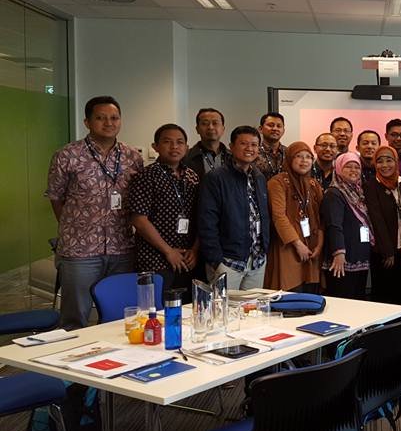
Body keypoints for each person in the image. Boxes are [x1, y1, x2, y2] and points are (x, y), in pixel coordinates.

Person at [46, 96, 143, 329]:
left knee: (123, 316)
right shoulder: (67, 155)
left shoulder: (133, 157)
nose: (108, 123)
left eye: (114, 118)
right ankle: (68, 361)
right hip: (80, 250)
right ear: (87, 122)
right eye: (100, 118)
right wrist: (75, 228)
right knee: (75, 317)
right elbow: (56, 198)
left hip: (122, 248)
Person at [129, 124, 200, 296]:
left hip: (187, 257)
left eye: (180, 142)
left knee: (186, 310)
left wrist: (195, 250)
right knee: (156, 312)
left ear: (187, 147)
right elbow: (139, 219)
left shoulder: (192, 177)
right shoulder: (146, 176)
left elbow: (201, 216)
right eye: (167, 142)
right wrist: (168, 251)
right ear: (155, 146)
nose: (174, 147)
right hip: (155, 259)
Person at [197, 126, 270, 290]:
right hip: (228, 262)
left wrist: (264, 250)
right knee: (222, 313)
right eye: (244, 143)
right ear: (231, 146)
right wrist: (216, 261)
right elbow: (207, 222)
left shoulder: (259, 177)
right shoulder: (215, 178)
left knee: (252, 313)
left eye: (254, 145)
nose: (249, 148)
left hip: (256, 261)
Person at [265, 142, 323, 292]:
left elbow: (321, 218)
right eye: (299, 156)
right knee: (290, 291)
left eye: (308, 157)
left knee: (311, 297)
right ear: (290, 158)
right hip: (289, 245)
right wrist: (298, 245)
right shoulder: (277, 182)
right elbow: (279, 216)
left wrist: (319, 246)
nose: (304, 161)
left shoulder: (313, 184)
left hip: (312, 246)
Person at [320, 152, 372, 299]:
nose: (354, 170)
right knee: (343, 301)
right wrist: (339, 253)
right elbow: (333, 225)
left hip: (359, 257)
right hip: (342, 260)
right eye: (348, 166)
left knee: (358, 303)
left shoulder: (359, 192)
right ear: (338, 168)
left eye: (357, 167)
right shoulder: (334, 193)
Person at [364, 146, 401, 305]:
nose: (385, 165)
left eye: (389, 160)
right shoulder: (371, 186)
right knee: (384, 295)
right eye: (380, 161)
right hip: (385, 251)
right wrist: (388, 252)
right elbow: (377, 220)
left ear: (396, 162)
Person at [185, 108, 231, 180]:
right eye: (205, 124)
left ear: (223, 129)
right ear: (197, 129)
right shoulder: (186, 157)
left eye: (215, 123)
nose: (210, 127)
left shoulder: (233, 157)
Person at [255, 112, 286, 180]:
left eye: (279, 126)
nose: (275, 128)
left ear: (283, 131)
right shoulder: (254, 152)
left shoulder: (289, 153)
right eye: (270, 125)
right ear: (260, 129)